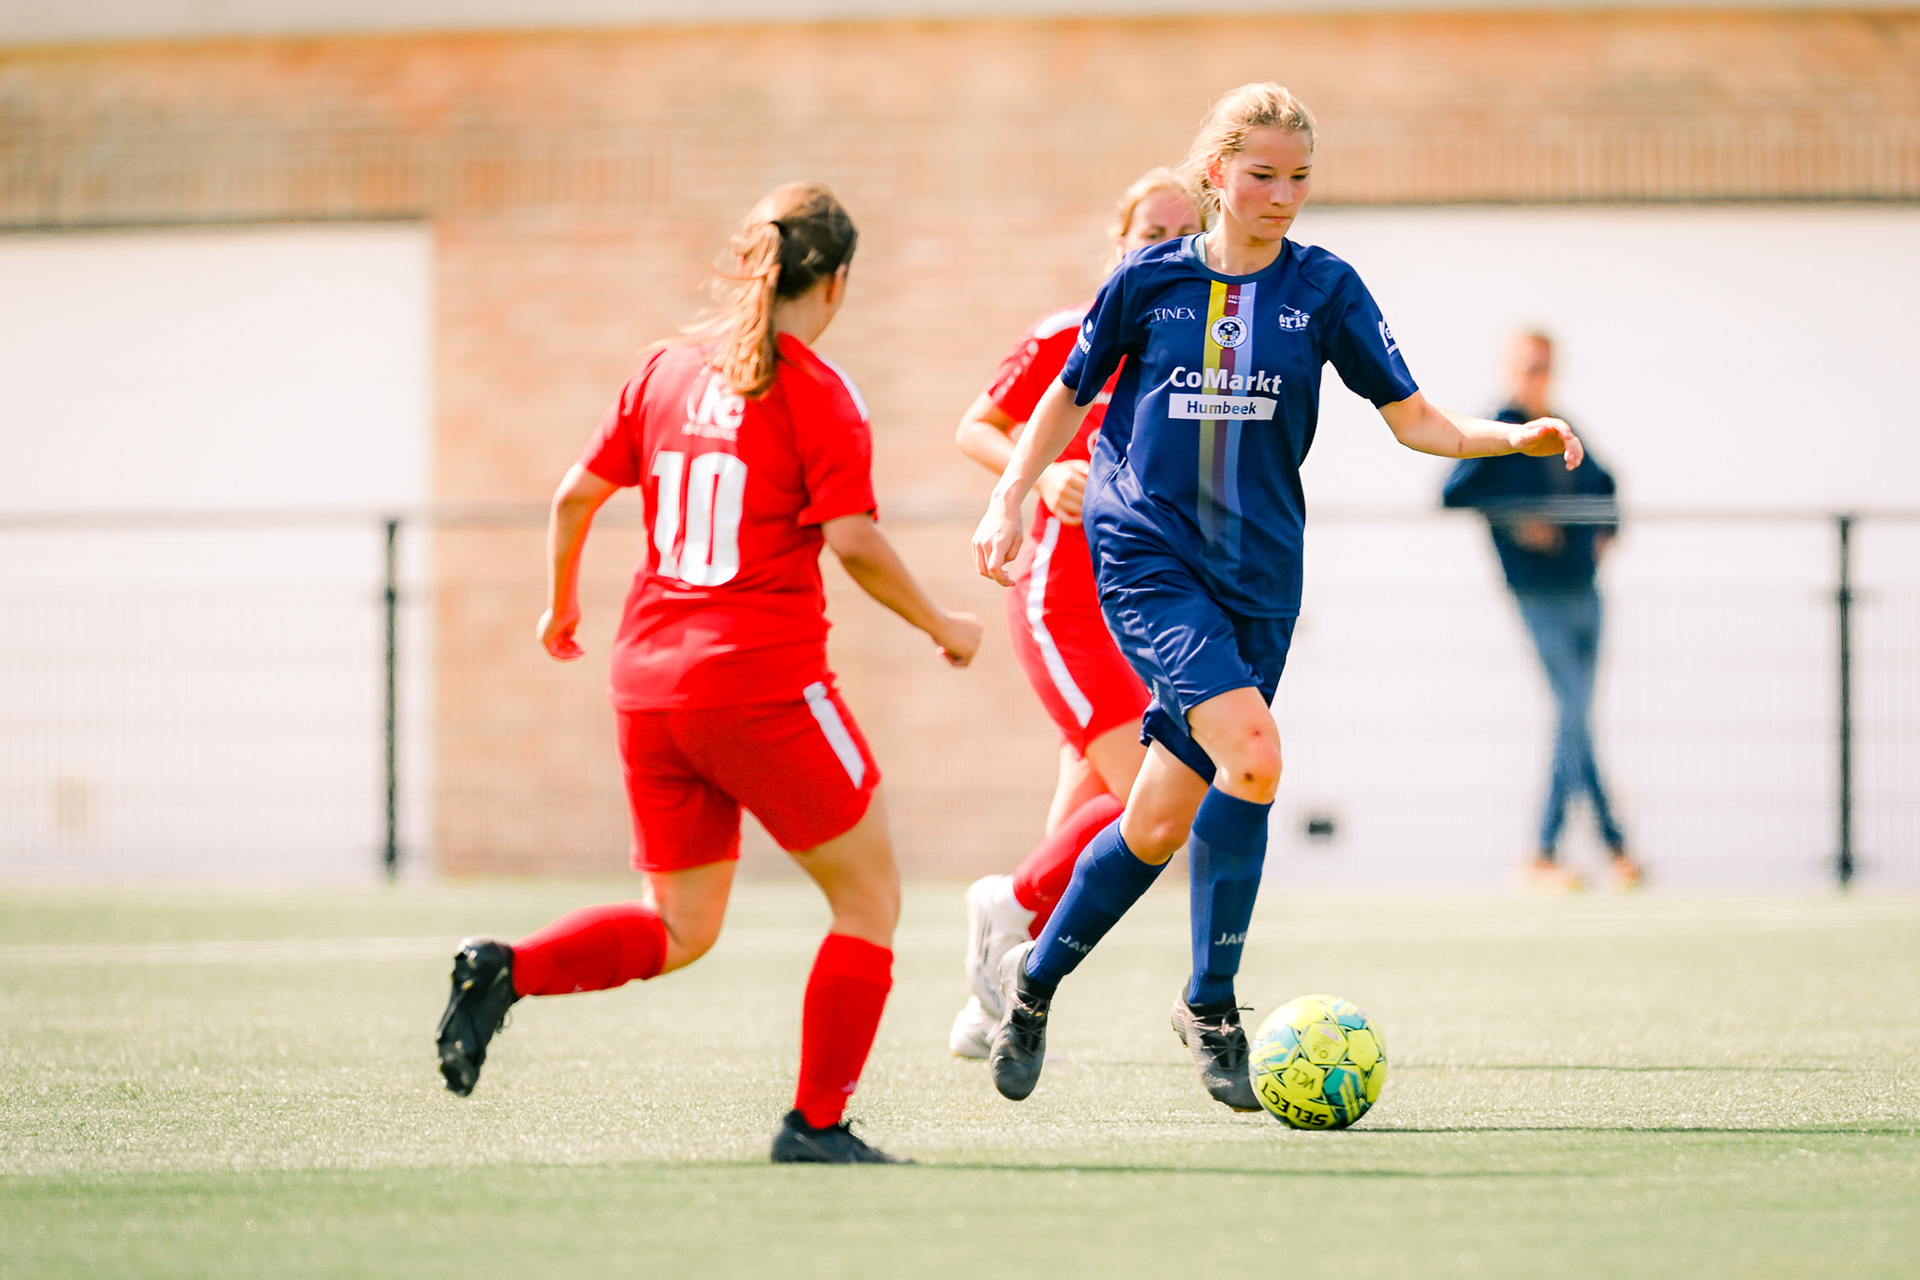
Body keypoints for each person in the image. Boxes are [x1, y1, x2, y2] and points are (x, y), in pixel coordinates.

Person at [970, 83, 1587, 1112]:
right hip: (1148, 555)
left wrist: (1510, 436)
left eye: (1300, 177)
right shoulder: (1148, 281)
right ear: (1217, 172)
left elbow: (1417, 420)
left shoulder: (1325, 288)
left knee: (1158, 818)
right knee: (1253, 754)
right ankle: (1212, 1005)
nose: (1284, 195)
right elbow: (1066, 397)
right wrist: (1007, 497)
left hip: (1260, 574)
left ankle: (1030, 983)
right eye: (1262, 175)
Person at [434, 183, 982, 1165]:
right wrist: (945, 624)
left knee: (680, 928)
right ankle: (815, 1125)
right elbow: (854, 542)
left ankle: (506, 970)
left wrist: (560, 605)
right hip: (760, 686)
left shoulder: (665, 368)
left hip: (648, 687)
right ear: (836, 281)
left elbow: (573, 497)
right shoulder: (819, 391)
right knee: (868, 902)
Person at [945, 169, 1202, 1059]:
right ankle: (1008, 906)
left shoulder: (1197, 351)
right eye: (1150, 232)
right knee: (1151, 797)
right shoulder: (1069, 332)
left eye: (1182, 234)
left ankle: (995, 1002)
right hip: (1064, 605)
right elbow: (976, 426)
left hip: (1145, 611)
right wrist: (1042, 474)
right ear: (1119, 240)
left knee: (1081, 824)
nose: (1164, 248)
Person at [1442, 331, 1642, 891]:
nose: (1538, 375)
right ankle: (1570, 848)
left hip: (1583, 586)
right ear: (1509, 368)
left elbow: (1605, 482)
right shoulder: (1500, 428)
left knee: (1574, 718)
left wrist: (1607, 531)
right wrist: (1515, 521)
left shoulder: (1560, 425)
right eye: (1529, 365)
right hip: (1536, 592)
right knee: (1573, 714)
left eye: (1545, 366)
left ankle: (1580, 850)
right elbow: (1454, 492)